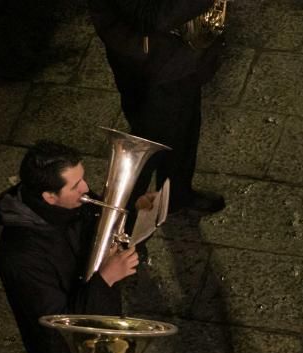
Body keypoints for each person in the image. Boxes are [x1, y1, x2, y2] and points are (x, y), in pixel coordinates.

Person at [0, 141, 140, 353]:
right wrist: (106, 279)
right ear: (50, 196)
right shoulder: (20, 257)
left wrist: (137, 217)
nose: (87, 189)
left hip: (101, 324)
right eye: (76, 185)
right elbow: (59, 325)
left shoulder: (75, 204)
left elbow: (106, 232)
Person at [88, 0, 226, 215]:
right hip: (154, 65)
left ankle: (175, 196)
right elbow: (154, 18)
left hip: (178, 56)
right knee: (147, 147)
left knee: (186, 127)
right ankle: (119, 226)